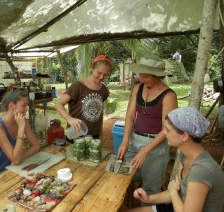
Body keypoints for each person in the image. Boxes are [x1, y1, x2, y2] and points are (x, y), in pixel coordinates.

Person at [126, 107, 224, 212]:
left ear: (184, 136)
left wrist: (172, 192)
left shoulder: (201, 171)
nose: (164, 133)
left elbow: (174, 192)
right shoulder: (185, 155)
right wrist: (149, 199)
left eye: (167, 130)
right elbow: (177, 190)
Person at [118, 56, 178, 196]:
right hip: (134, 137)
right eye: (140, 75)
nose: (141, 79)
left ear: (157, 76)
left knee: (151, 187)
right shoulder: (138, 88)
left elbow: (166, 129)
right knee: (128, 176)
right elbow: (130, 116)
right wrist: (125, 140)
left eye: (145, 77)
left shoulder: (168, 95)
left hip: (156, 143)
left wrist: (145, 151)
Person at [55, 53, 112, 142]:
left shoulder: (104, 90)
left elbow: (99, 114)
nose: (101, 77)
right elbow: (59, 104)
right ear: (92, 68)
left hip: (94, 137)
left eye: (105, 75)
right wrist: (69, 118)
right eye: (99, 73)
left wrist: (100, 135)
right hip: (76, 135)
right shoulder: (78, 86)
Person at [0, 89, 40, 178]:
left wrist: (21, 157)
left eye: (27, 106)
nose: (26, 109)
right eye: (24, 105)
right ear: (12, 105)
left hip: (14, 170)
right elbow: (15, 160)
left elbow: (36, 146)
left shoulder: (23, 121)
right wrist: (21, 129)